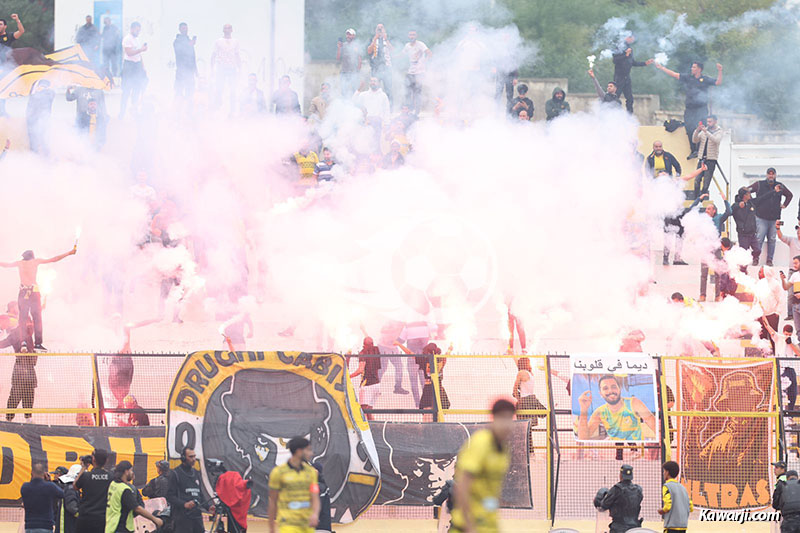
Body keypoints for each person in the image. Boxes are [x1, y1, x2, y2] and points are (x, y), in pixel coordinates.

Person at [449, 399, 516, 533]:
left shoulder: (503, 449)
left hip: (488, 525)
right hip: (468, 527)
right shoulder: (481, 442)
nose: (506, 424)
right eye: (502, 418)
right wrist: (469, 527)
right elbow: (461, 486)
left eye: (509, 419)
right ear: (493, 418)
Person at [0, 246, 76, 352]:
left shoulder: (20, 263)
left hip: (26, 292)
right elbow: (54, 259)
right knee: (36, 319)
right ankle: (36, 343)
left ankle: (28, 342)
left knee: (24, 319)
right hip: (32, 293)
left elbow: (5, 265)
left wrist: (68, 253)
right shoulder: (34, 261)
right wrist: (69, 253)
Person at [654, 60, 722, 159]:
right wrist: (662, 68)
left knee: (701, 128)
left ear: (699, 69)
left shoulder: (705, 79)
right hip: (690, 108)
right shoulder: (688, 77)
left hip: (701, 108)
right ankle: (693, 150)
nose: (692, 69)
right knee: (689, 128)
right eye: (692, 67)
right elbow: (674, 74)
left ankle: (701, 151)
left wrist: (720, 71)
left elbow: (718, 82)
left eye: (694, 67)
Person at [577, 374, 656, 441]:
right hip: (616, 450)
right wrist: (583, 409)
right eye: (605, 388)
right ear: (600, 393)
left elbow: (654, 424)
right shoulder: (600, 412)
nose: (610, 391)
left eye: (614, 387)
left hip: (636, 449)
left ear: (619, 389)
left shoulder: (634, 403)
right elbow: (583, 438)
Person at [267, 437, 320, 533]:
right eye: (308, 450)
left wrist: (315, 514)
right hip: (288, 524)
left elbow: (315, 497)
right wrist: (271, 527)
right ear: (299, 451)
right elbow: (272, 501)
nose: (311, 453)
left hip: (307, 524)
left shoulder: (311, 472)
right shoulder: (278, 472)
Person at [748, 167, 793, 267]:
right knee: (759, 239)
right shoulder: (759, 184)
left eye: (773, 174)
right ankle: (756, 258)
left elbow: (789, 195)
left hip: (774, 218)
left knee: (772, 240)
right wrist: (753, 203)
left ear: (775, 175)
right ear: (766, 175)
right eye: (769, 174)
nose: (771, 175)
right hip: (761, 217)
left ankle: (769, 260)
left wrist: (785, 205)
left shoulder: (780, 186)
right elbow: (747, 191)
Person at [106, 460, 163, 532]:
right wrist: (155, 519)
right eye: (131, 470)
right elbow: (137, 508)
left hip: (111, 526)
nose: (132, 473)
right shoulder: (124, 490)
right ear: (126, 471)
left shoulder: (113, 484)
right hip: (121, 527)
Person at [663, 186, 706, 266]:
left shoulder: (681, 209)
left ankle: (677, 259)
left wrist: (699, 199)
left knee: (679, 242)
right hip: (669, 225)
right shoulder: (668, 207)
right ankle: (665, 258)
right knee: (667, 240)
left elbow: (690, 208)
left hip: (679, 228)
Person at [699, 195, 731, 302]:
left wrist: (725, 200)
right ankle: (702, 295)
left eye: (709, 209)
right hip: (705, 248)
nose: (706, 211)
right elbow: (691, 209)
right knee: (704, 274)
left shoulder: (718, 218)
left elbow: (729, 211)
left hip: (716, 248)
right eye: (706, 209)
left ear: (714, 210)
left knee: (718, 273)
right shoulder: (702, 220)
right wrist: (700, 199)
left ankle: (717, 296)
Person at [167, 446, 207, 533]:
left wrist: (209, 507)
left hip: (196, 517)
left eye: (194, 456)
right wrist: (184, 504)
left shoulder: (196, 473)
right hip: (182, 518)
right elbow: (169, 496)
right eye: (191, 457)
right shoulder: (175, 473)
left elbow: (200, 494)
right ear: (183, 458)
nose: (194, 459)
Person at [594, 464, 643, 532]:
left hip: (618, 528)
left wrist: (600, 497)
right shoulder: (638, 490)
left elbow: (604, 505)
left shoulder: (616, 489)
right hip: (634, 528)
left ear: (620, 475)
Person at [611, 35, 652, 113]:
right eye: (631, 38)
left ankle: (629, 117)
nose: (632, 40)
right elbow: (615, 60)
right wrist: (625, 55)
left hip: (627, 78)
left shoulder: (630, 49)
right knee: (615, 97)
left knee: (630, 99)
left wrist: (645, 63)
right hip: (619, 77)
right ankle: (613, 115)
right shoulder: (619, 47)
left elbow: (632, 62)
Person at [74, 449, 112, 533]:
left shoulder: (86, 476)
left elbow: (75, 486)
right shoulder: (111, 477)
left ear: (93, 459)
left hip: (85, 518)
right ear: (107, 460)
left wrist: (84, 467)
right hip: (103, 518)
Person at [21, 462, 64, 533]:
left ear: (31, 473)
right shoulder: (50, 486)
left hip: (30, 525)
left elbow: (31, 486)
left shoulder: (25, 487)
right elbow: (62, 494)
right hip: (46, 525)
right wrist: (49, 481)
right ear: (44, 474)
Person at [119, 21, 147, 118]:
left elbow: (139, 55)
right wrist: (141, 50)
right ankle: (121, 114)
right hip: (129, 67)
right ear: (132, 29)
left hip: (137, 66)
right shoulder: (127, 39)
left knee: (137, 90)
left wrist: (143, 67)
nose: (138, 32)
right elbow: (129, 53)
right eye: (137, 30)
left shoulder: (137, 39)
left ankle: (134, 114)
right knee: (126, 91)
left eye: (139, 30)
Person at [211, 23, 241, 114]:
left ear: (232, 30)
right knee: (219, 88)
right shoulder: (218, 41)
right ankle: (217, 106)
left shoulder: (235, 41)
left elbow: (237, 55)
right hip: (221, 68)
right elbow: (213, 55)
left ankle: (232, 110)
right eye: (225, 28)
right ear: (223, 30)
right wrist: (211, 68)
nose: (227, 30)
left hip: (232, 68)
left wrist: (240, 68)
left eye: (229, 28)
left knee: (233, 90)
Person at [5, 338, 37, 422]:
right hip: (18, 380)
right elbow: (19, 357)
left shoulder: (33, 351)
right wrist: (22, 352)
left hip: (29, 380)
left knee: (29, 400)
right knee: (14, 399)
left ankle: (28, 418)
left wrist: (27, 353)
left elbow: (34, 362)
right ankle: (9, 418)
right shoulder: (18, 352)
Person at [350, 337, 381, 420]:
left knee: (364, 411)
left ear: (363, 344)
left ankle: (367, 429)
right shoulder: (376, 350)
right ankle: (374, 428)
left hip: (367, 386)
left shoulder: (363, 353)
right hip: (377, 385)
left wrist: (349, 376)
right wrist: (364, 330)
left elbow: (360, 370)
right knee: (369, 411)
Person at [692, 115, 723, 197]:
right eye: (707, 121)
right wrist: (697, 131)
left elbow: (716, 140)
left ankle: (703, 197)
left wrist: (706, 132)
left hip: (711, 160)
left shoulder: (719, 131)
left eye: (710, 121)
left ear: (715, 121)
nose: (708, 123)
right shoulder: (704, 131)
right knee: (697, 180)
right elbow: (695, 140)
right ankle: (696, 198)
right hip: (702, 159)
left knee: (706, 183)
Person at [658, 461, 693, 533]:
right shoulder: (683, 488)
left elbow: (667, 506)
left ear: (667, 472)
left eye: (664, 471)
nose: (663, 473)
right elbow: (690, 507)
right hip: (683, 526)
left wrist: (662, 510)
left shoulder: (667, 486)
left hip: (671, 526)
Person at [356, 76, 390, 147]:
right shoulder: (364, 94)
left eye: (374, 81)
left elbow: (386, 110)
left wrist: (387, 124)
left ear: (378, 83)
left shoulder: (383, 95)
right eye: (371, 81)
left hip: (377, 122)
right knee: (366, 143)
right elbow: (354, 101)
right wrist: (359, 89)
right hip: (366, 122)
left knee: (376, 143)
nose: (372, 83)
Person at [403, 30, 431, 115]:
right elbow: (402, 55)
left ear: (416, 36)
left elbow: (429, 53)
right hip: (410, 72)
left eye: (413, 35)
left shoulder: (421, 45)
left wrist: (424, 62)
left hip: (419, 72)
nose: (412, 36)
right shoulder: (407, 46)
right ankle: (409, 110)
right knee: (407, 92)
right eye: (410, 35)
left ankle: (417, 112)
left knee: (417, 93)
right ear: (408, 36)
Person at [733, 187, 762, 266]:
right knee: (744, 252)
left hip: (752, 233)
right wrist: (739, 206)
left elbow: (761, 199)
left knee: (758, 250)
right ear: (744, 195)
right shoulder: (736, 205)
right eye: (748, 193)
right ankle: (742, 267)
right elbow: (732, 210)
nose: (750, 195)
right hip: (743, 234)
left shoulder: (751, 204)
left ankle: (753, 258)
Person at [778, 221, 800, 320]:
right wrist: (777, 228)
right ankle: (790, 314)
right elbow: (781, 237)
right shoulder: (792, 240)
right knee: (791, 294)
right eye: (798, 230)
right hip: (793, 271)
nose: (798, 232)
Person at [26, 79, 55, 155]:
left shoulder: (50, 93)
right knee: (33, 139)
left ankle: (45, 157)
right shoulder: (35, 94)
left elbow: (34, 94)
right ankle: (34, 155)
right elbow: (32, 94)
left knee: (44, 139)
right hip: (33, 120)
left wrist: (38, 86)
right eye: (41, 85)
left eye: (43, 86)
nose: (41, 87)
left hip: (43, 120)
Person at [173, 22, 197, 111]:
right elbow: (181, 51)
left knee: (190, 92)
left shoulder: (188, 40)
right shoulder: (177, 41)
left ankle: (189, 111)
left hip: (190, 71)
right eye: (183, 28)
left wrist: (195, 70)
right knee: (179, 91)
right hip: (181, 71)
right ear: (179, 29)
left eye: (186, 28)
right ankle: (176, 111)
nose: (185, 30)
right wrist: (190, 44)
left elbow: (192, 56)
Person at [367, 23, 393, 105]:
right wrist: (375, 39)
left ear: (384, 30)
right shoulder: (372, 39)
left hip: (386, 68)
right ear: (375, 30)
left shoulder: (387, 39)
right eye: (378, 28)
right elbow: (369, 51)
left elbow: (392, 50)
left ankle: (390, 107)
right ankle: (374, 106)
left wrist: (386, 39)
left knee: (388, 89)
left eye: (381, 28)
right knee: (374, 88)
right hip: (375, 68)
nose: (380, 30)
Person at [54, 464, 81, 533]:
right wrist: (82, 516)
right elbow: (72, 507)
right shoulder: (71, 489)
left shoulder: (70, 487)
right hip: (67, 527)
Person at [337, 28, 362, 99]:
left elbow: (360, 59)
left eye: (350, 35)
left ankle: (354, 106)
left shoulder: (357, 46)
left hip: (354, 72)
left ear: (353, 36)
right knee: (344, 91)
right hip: (344, 72)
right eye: (347, 34)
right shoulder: (343, 45)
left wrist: (358, 71)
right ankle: (345, 106)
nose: (348, 36)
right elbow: (338, 58)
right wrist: (339, 47)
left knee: (355, 90)